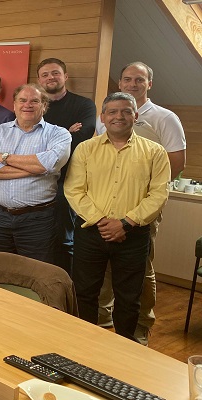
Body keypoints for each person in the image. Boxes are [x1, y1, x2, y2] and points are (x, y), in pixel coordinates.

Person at [65, 92, 170, 341]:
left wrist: (126, 223)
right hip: (91, 232)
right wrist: (103, 222)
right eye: (112, 112)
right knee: (85, 293)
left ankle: (124, 348)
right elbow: (74, 190)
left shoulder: (155, 152)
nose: (118, 116)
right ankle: (84, 344)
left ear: (135, 115)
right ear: (102, 117)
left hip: (133, 235)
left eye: (125, 111)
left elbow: (159, 194)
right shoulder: (85, 149)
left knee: (129, 297)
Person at [95, 61, 186, 344]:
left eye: (139, 79)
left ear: (149, 84)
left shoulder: (164, 118)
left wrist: (143, 199)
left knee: (140, 267)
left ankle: (141, 323)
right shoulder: (108, 114)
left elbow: (176, 164)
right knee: (105, 263)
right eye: (127, 79)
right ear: (120, 82)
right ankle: (103, 318)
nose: (132, 84)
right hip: (105, 206)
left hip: (142, 208)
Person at [0, 83, 71, 263]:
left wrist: (4, 157)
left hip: (38, 221)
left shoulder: (59, 134)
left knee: (35, 273)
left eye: (34, 101)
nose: (27, 105)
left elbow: (49, 164)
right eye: (22, 100)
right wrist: (34, 169)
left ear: (44, 106)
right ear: (14, 105)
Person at [37, 58, 97, 275]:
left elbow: (82, 138)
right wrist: (66, 132)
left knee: (65, 240)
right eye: (45, 74)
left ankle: (65, 287)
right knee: (38, 238)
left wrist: (51, 138)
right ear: (39, 80)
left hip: (67, 182)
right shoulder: (35, 106)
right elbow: (30, 143)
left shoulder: (84, 105)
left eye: (55, 73)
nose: (50, 77)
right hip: (36, 180)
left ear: (65, 77)